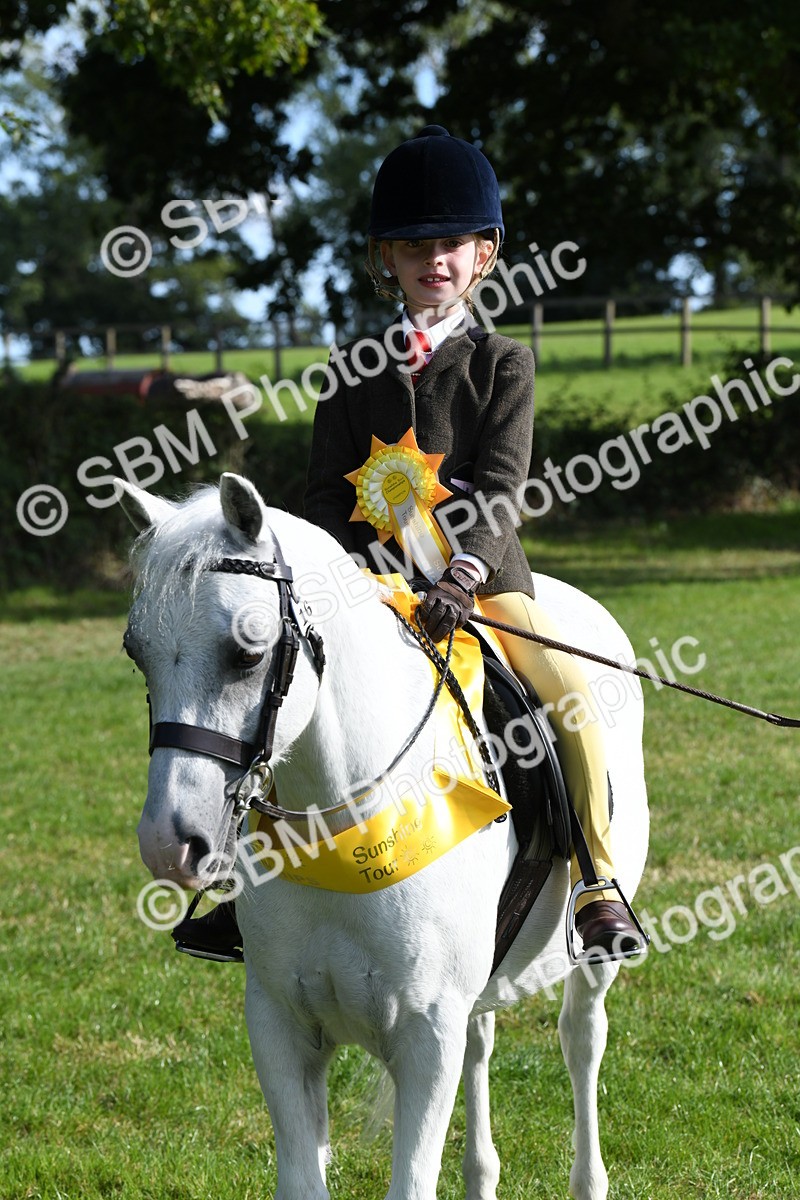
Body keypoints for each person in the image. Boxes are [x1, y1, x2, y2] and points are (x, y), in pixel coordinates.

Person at [173, 124, 642, 961]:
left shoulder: (504, 364)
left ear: (486, 253)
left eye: (455, 242)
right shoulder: (349, 368)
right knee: (284, 702)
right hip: (368, 589)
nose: (437, 259)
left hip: (483, 584)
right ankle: (249, 898)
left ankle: (597, 882)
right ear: (383, 257)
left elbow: (501, 490)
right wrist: (347, 580)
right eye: (417, 244)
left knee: (567, 696)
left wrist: (460, 577)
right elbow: (323, 498)